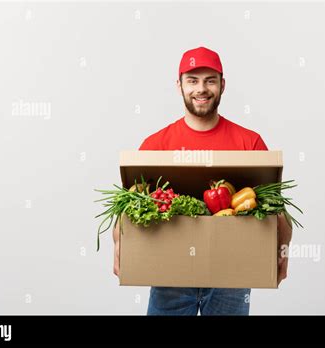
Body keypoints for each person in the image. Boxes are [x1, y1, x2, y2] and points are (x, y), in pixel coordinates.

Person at [113, 46, 293, 315]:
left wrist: (282, 252)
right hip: (169, 276)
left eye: (210, 80)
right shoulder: (155, 146)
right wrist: (119, 247)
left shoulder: (249, 143)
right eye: (192, 81)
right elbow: (129, 210)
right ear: (179, 85)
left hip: (231, 277)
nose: (201, 89)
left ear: (222, 84)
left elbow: (276, 210)